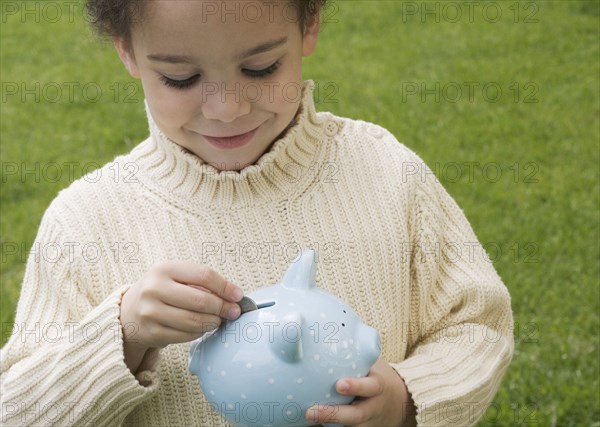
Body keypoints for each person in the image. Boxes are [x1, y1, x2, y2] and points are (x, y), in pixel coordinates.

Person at [0, 1, 514, 426]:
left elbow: (476, 325)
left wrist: (406, 398)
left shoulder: (383, 171)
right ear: (127, 51)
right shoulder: (89, 221)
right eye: (181, 77)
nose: (227, 107)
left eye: (261, 68)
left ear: (308, 24)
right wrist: (123, 334)